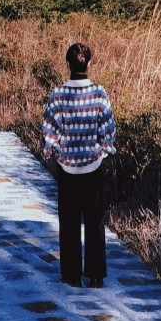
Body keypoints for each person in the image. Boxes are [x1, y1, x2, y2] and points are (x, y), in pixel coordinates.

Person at [41, 42, 116, 288]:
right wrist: (102, 151)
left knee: (69, 220)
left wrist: (54, 152)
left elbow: (49, 132)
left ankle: (72, 275)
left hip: (67, 167)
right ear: (89, 64)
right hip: (93, 166)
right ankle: (95, 275)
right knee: (94, 221)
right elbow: (107, 131)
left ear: (68, 64)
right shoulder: (99, 93)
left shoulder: (58, 94)